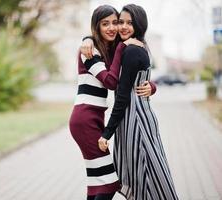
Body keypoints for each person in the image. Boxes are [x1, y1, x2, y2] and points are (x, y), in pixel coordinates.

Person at [69, 5, 156, 200]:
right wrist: (92, 40)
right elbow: (111, 82)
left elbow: (132, 73)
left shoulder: (104, 49)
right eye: (104, 24)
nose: (112, 28)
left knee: (96, 183)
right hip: (85, 121)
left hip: (93, 120)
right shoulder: (89, 53)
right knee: (108, 184)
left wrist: (152, 85)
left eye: (114, 22)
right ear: (96, 27)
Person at [95, 4, 179, 200]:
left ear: (139, 25)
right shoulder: (130, 47)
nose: (123, 26)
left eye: (129, 23)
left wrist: (107, 132)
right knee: (139, 176)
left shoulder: (131, 50)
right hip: (132, 121)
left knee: (146, 178)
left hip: (136, 123)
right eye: (120, 21)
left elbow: (123, 95)